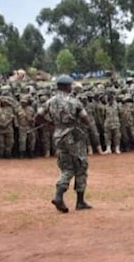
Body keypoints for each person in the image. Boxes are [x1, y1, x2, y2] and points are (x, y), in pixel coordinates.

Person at [35, 75, 93, 213]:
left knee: (66, 167)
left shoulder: (50, 101)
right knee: (81, 166)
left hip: (58, 136)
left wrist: (50, 123)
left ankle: (59, 195)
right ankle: (80, 201)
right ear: (67, 86)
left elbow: (37, 117)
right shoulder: (74, 102)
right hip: (73, 136)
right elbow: (86, 120)